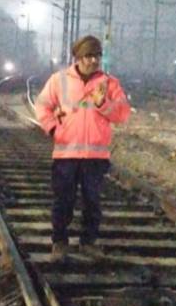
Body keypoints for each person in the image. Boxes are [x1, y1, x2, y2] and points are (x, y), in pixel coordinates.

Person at [34, 35, 131, 261]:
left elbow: (122, 114)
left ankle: (88, 242)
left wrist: (102, 103)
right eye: (88, 56)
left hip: (96, 156)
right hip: (66, 153)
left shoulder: (109, 83)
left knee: (93, 201)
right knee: (63, 200)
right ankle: (59, 242)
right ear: (78, 58)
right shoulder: (59, 80)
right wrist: (52, 129)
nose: (93, 61)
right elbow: (42, 106)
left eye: (97, 56)